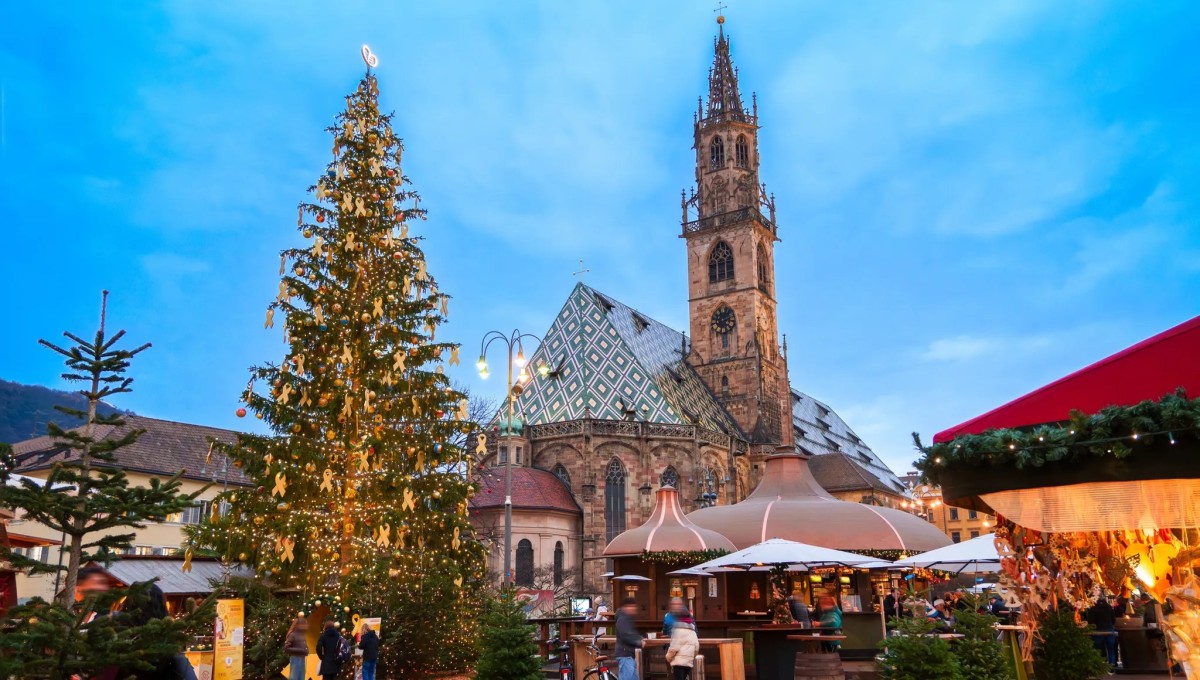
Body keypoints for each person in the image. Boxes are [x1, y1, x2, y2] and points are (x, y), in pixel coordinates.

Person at [665, 607, 699, 680]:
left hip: (678, 663)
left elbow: (673, 648)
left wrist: (668, 658)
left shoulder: (677, 631)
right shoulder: (692, 631)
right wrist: (691, 658)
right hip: (688, 663)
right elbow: (696, 647)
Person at [615, 597, 644, 680]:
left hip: (628, 655)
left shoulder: (626, 618)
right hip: (625, 655)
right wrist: (639, 642)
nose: (634, 609)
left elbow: (630, 633)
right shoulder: (623, 619)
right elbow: (626, 636)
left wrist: (640, 638)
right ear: (627, 607)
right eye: (632, 607)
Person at [1085, 595, 1117, 668]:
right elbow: (1113, 619)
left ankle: (1099, 665)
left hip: (1098, 631)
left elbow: (1090, 620)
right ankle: (1112, 665)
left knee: (1097, 649)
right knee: (1111, 649)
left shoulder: (1093, 608)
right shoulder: (1109, 607)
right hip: (1109, 630)